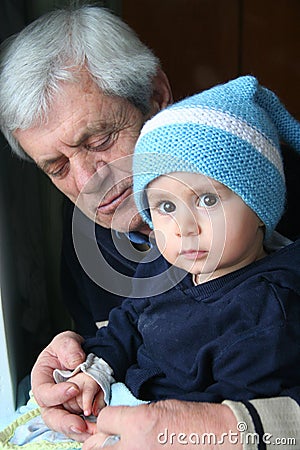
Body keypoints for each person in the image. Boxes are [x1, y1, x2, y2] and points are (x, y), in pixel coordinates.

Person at [0, 5, 299, 449]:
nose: (88, 185)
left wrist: (216, 429)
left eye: (100, 140)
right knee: (29, 386)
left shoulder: (263, 180)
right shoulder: (90, 233)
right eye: (58, 167)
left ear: (157, 95)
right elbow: (135, 328)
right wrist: (81, 353)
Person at [52, 75, 300, 428]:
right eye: (165, 207)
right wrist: (95, 372)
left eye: (208, 200)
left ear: (259, 206)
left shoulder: (268, 312)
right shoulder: (163, 270)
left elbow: (222, 415)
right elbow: (129, 322)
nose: (184, 226)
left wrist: (134, 422)